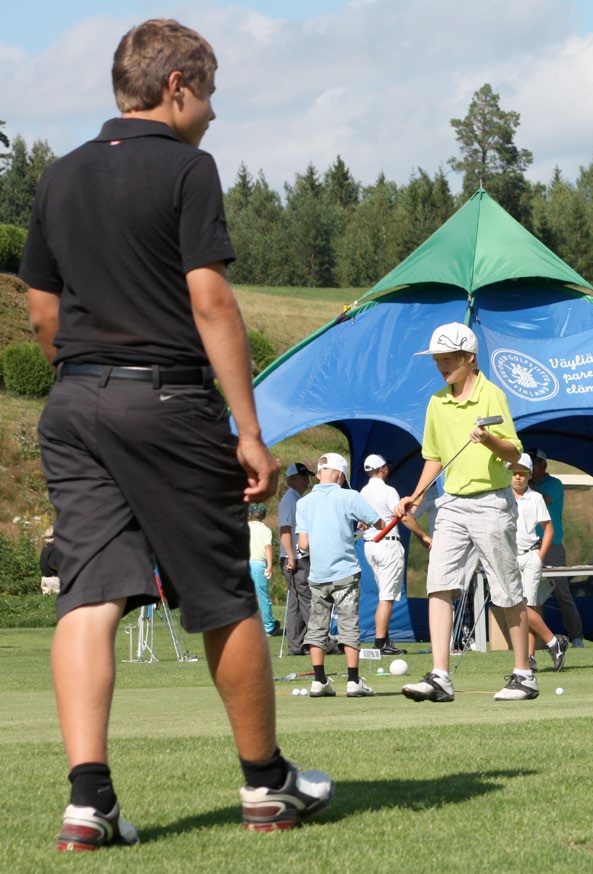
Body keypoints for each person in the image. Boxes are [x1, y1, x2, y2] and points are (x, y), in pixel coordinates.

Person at [20, 19, 333, 848]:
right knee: (224, 592)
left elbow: (41, 311)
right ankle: (267, 786)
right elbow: (211, 300)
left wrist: (87, 376)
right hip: (167, 403)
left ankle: (89, 803)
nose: (213, 115)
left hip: (74, 405)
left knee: (88, 593)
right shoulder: (190, 169)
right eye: (211, 95)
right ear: (176, 87)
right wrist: (252, 433)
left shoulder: (57, 177)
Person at [395, 322, 538, 702]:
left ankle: (524, 674)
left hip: (492, 501)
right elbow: (434, 457)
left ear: (469, 358)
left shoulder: (493, 396)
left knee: (507, 590)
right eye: (438, 360)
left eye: (448, 359)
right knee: (438, 584)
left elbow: (515, 454)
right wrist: (416, 494)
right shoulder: (436, 402)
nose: (441, 366)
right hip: (452, 505)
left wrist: (489, 438)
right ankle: (440, 676)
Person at [296, 453, 384, 697]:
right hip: (345, 571)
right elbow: (379, 523)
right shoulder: (349, 496)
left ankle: (319, 680)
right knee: (348, 624)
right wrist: (358, 525)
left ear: (320, 472)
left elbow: (303, 544)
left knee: (316, 626)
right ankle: (354, 681)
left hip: (318, 574)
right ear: (340, 475)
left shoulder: (303, 503)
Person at [360, 453, 432, 654]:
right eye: (385, 467)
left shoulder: (363, 492)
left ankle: (383, 639)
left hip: (370, 545)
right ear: (381, 469)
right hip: (387, 545)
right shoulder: (388, 490)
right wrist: (423, 536)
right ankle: (381, 643)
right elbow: (404, 517)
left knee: (385, 594)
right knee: (387, 596)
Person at [507, 454, 568, 672]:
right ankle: (554, 642)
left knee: (527, 607)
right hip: (510, 558)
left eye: (522, 474)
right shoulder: (502, 496)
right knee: (518, 607)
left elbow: (548, 529)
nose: (517, 477)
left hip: (531, 555)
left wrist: (539, 557)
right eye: (513, 473)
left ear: (529, 475)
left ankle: (530, 656)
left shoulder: (535, 498)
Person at [528, 448, 584, 647]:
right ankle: (534, 643)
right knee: (527, 594)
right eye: (528, 462)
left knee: (562, 593)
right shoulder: (524, 487)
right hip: (527, 546)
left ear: (544, 465)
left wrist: (523, 486)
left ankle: (576, 636)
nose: (530, 467)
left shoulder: (554, 484)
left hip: (553, 546)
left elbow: (544, 500)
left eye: (534, 463)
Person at [278, 461, 315, 655]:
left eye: (307, 477)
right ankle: (318, 642)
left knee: (295, 602)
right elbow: (285, 529)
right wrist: (291, 557)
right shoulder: (291, 499)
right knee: (307, 599)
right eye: (303, 477)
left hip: (294, 557)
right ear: (291, 479)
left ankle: (297, 644)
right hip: (295, 558)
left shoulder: (295, 498)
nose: (306, 481)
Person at [248, 503, 280, 636]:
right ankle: (268, 626)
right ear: (264, 515)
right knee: (263, 597)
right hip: (259, 564)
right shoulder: (265, 530)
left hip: (244, 564)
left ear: (250, 514)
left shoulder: (245, 527)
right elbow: (268, 547)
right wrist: (270, 566)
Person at [40, 526, 61, 595]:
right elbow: (53, 564)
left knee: (46, 600)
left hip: (44, 578)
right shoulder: (54, 549)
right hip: (53, 579)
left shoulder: (45, 548)